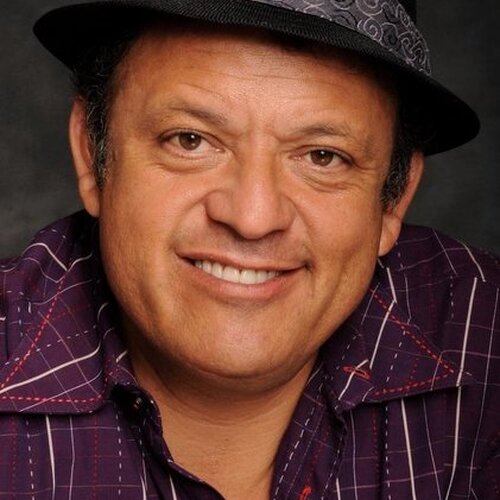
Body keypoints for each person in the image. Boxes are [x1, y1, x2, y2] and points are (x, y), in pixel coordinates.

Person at [0, 0, 498, 498]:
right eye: (190, 140)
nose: (253, 219)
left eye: (323, 156)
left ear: (394, 199)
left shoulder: (485, 341)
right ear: (92, 153)